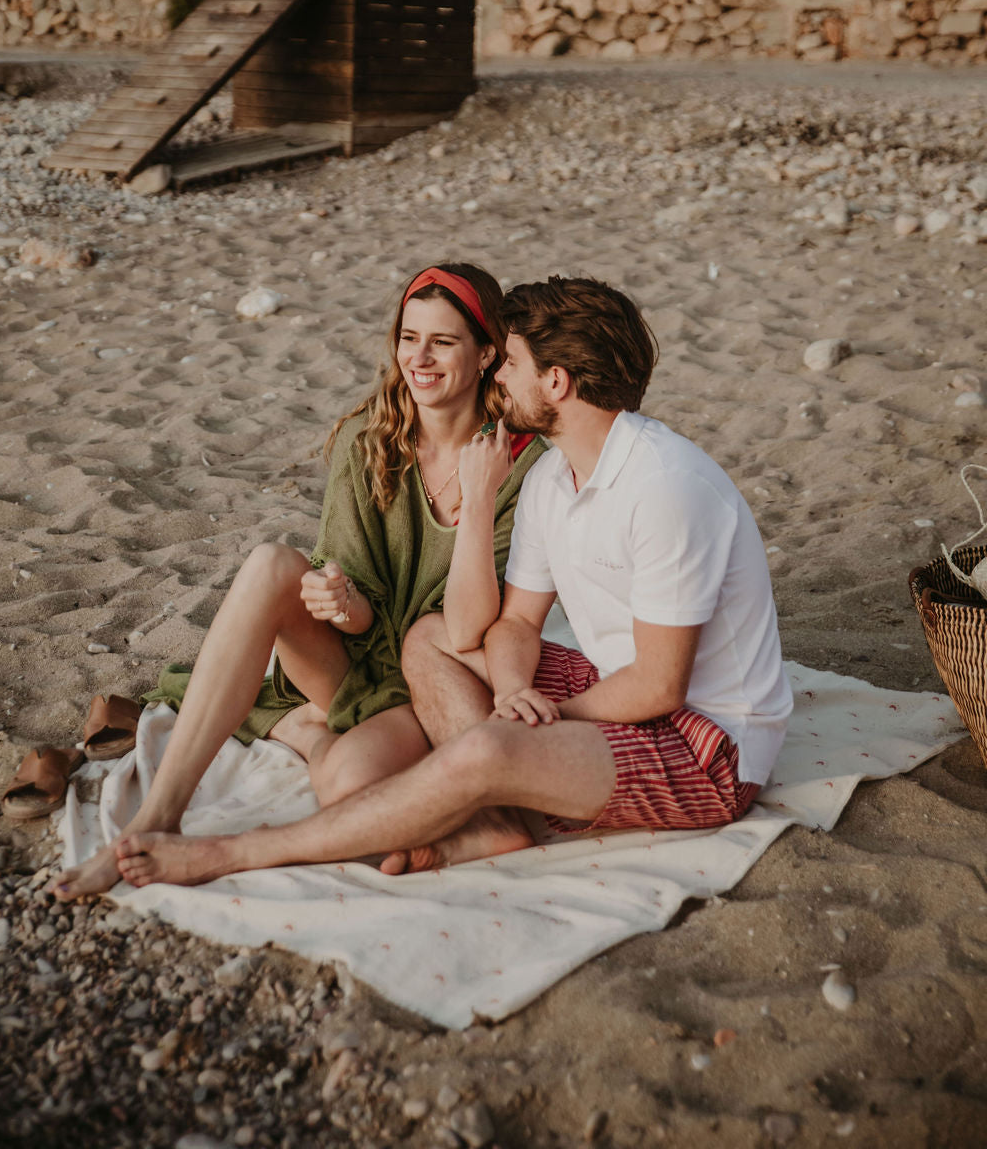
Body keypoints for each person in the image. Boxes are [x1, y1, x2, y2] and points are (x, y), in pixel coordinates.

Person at [65, 275, 793, 892]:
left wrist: (540, 719)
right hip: (604, 687)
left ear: (556, 382)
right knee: (431, 638)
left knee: (484, 752)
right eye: (410, 339)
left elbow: (661, 687)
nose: (499, 378)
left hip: (708, 747)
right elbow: (513, 626)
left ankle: (232, 853)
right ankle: (494, 816)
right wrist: (514, 690)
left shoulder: (663, 487)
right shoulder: (553, 476)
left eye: (506, 362)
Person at [50, 263, 545, 901]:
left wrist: (478, 499)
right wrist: (340, 600)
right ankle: (156, 819)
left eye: (443, 342)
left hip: (431, 678)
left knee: (349, 792)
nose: (418, 359)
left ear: (486, 355)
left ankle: (308, 733)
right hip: (354, 657)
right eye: (408, 337)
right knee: (271, 564)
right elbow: (350, 594)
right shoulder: (370, 438)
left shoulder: (521, 464)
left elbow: (467, 628)